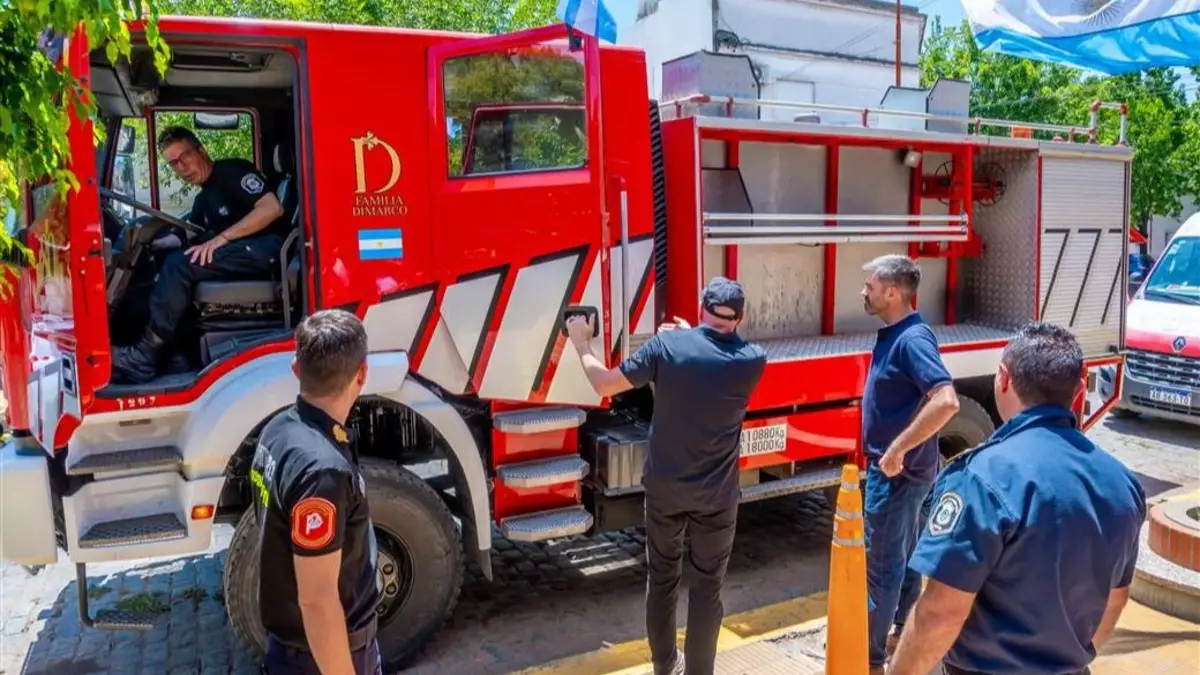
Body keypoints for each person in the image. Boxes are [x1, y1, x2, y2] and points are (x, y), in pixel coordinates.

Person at [889, 322, 1146, 675]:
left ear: (1003, 378)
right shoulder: (1123, 485)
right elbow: (1115, 600)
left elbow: (940, 613)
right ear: (1079, 389)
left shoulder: (980, 477)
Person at [564, 277, 767, 675]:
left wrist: (581, 343)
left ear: (702, 308)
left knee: (662, 580)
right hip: (717, 498)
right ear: (740, 319)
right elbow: (714, 352)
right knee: (707, 590)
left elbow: (604, 383)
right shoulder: (752, 360)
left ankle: (664, 665)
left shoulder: (667, 347)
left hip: (665, 491)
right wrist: (691, 335)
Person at [250, 309, 382, 675]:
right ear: (362, 374)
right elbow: (318, 602)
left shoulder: (278, 431)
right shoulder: (323, 472)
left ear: (296, 368)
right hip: (322, 658)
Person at [111, 126, 288, 384]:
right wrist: (152, 243)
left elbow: (272, 208)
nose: (182, 167)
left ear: (201, 151)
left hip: (265, 250)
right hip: (242, 252)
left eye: (184, 156)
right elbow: (188, 234)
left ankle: (144, 355)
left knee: (180, 265)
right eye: (174, 163)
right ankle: (178, 354)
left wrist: (221, 238)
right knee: (171, 259)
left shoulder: (231, 171)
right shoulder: (204, 197)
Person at [858, 254, 961, 674]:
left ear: (892, 292)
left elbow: (946, 401)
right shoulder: (899, 334)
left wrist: (896, 450)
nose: (863, 292)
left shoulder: (911, 340)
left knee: (881, 570)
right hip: (907, 474)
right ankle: (902, 634)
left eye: (870, 286)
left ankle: (869, 659)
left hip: (896, 477)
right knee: (902, 560)